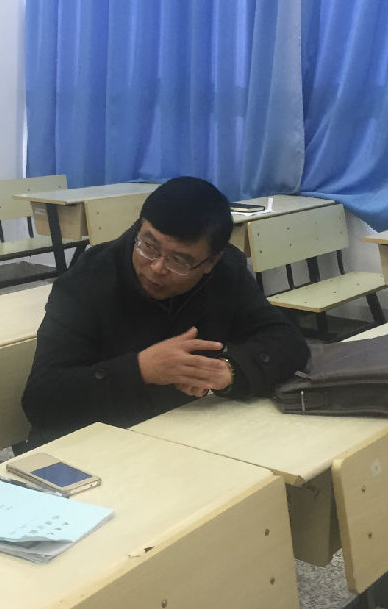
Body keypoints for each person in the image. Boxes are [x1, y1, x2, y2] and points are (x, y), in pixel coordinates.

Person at [21, 176, 310, 444]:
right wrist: (142, 370)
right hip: (96, 442)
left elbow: (288, 341)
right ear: (139, 227)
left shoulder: (225, 271)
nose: (157, 267)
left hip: (187, 432)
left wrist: (226, 371)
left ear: (210, 262)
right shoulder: (87, 280)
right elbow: (42, 401)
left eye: (179, 261)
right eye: (148, 246)